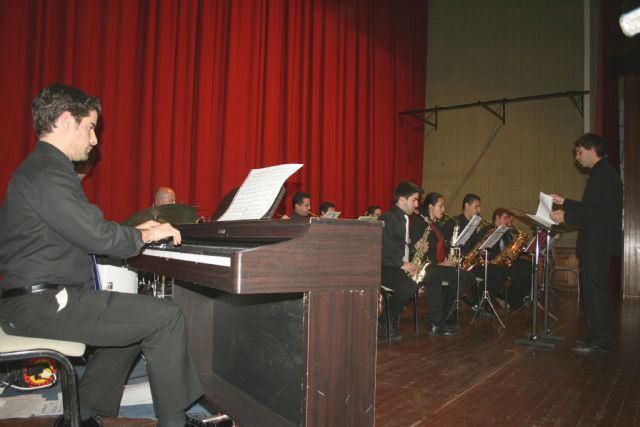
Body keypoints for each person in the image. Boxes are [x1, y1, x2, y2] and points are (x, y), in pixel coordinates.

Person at [0, 84, 203, 427]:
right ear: (66, 120)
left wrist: (136, 234)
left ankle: (83, 412)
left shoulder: (43, 169)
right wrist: (148, 232)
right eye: (90, 127)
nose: (94, 139)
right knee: (166, 317)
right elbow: (98, 235)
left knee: (133, 323)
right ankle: (174, 422)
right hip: (41, 304)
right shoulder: (47, 172)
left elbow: (89, 229)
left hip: (40, 300)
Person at [550, 133, 623, 353]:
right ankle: (598, 335)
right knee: (594, 291)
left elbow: (594, 211)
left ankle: (603, 339)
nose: (576, 157)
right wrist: (565, 202)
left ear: (591, 150)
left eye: (579, 152)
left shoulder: (603, 175)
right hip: (597, 243)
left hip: (597, 243)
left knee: (596, 291)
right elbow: (592, 207)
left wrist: (566, 215)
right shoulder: (603, 174)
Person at [411, 193, 475, 336]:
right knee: (441, 276)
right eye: (440, 206)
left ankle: (446, 316)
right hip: (426, 267)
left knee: (466, 277)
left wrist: (447, 260)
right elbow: (419, 252)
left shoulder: (434, 224)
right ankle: (437, 323)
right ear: (430, 206)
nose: (443, 209)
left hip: (437, 265)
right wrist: (441, 262)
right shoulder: (420, 223)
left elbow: (439, 248)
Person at [378, 181, 423, 340]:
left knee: (424, 277)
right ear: (402, 199)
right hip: (383, 267)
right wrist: (403, 264)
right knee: (409, 286)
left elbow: (398, 246)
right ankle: (386, 319)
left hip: (394, 265)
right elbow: (381, 252)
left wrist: (414, 249)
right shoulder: (389, 219)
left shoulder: (403, 218)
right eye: (414, 200)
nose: (417, 204)